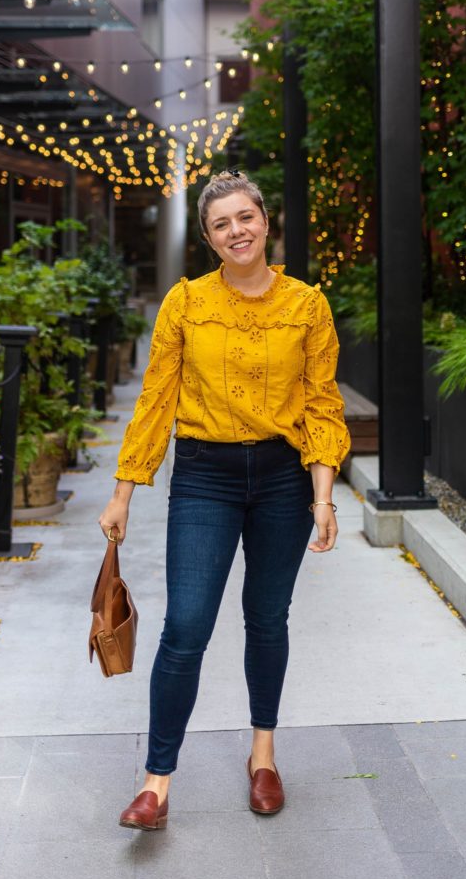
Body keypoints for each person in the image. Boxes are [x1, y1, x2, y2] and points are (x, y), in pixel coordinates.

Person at [99, 170, 350, 831]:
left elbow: (322, 405)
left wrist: (322, 498)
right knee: (186, 626)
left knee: (267, 618)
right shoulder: (184, 304)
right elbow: (155, 401)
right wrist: (124, 491)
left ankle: (262, 756)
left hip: (282, 478)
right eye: (220, 224)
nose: (236, 230)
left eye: (245, 217)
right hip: (204, 474)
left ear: (264, 221)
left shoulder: (306, 305)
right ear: (209, 239)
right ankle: (156, 782)